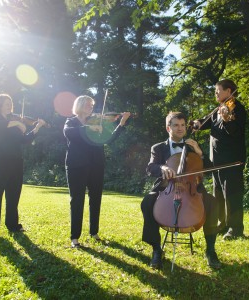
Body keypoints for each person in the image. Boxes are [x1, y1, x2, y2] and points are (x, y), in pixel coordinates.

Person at [141, 111, 221, 269]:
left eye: (183, 125)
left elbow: (210, 168)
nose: (180, 128)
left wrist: (199, 152)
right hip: (166, 188)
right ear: (168, 128)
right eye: (176, 125)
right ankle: (157, 249)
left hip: (191, 189)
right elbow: (150, 168)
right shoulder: (158, 148)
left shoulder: (192, 147)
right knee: (147, 201)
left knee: (212, 202)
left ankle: (210, 250)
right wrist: (163, 167)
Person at [63, 95, 130, 248]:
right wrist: (88, 128)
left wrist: (121, 123)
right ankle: (75, 238)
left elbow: (109, 139)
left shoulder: (98, 122)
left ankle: (94, 232)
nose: (91, 107)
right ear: (79, 105)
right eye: (88, 104)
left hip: (96, 165)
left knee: (96, 199)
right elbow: (68, 133)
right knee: (77, 200)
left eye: (92, 105)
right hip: (76, 166)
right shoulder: (71, 122)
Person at [0, 94, 46, 236]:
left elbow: (24, 140)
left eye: (10, 103)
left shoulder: (14, 121)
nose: (9, 106)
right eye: (6, 104)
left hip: (15, 160)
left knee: (13, 194)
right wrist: (18, 123)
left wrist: (37, 127)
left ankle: (13, 225)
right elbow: (2, 126)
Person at [192, 79, 246, 240]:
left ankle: (235, 229)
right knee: (218, 194)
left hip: (232, 159)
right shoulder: (218, 110)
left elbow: (236, 132)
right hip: (216, 161)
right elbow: (205, 122)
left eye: (218, 91)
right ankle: (222, 225)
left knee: (232, 194)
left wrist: (228, 120)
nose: (215, 93)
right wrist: (197, 123)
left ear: (229, 91)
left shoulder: (237, 109)